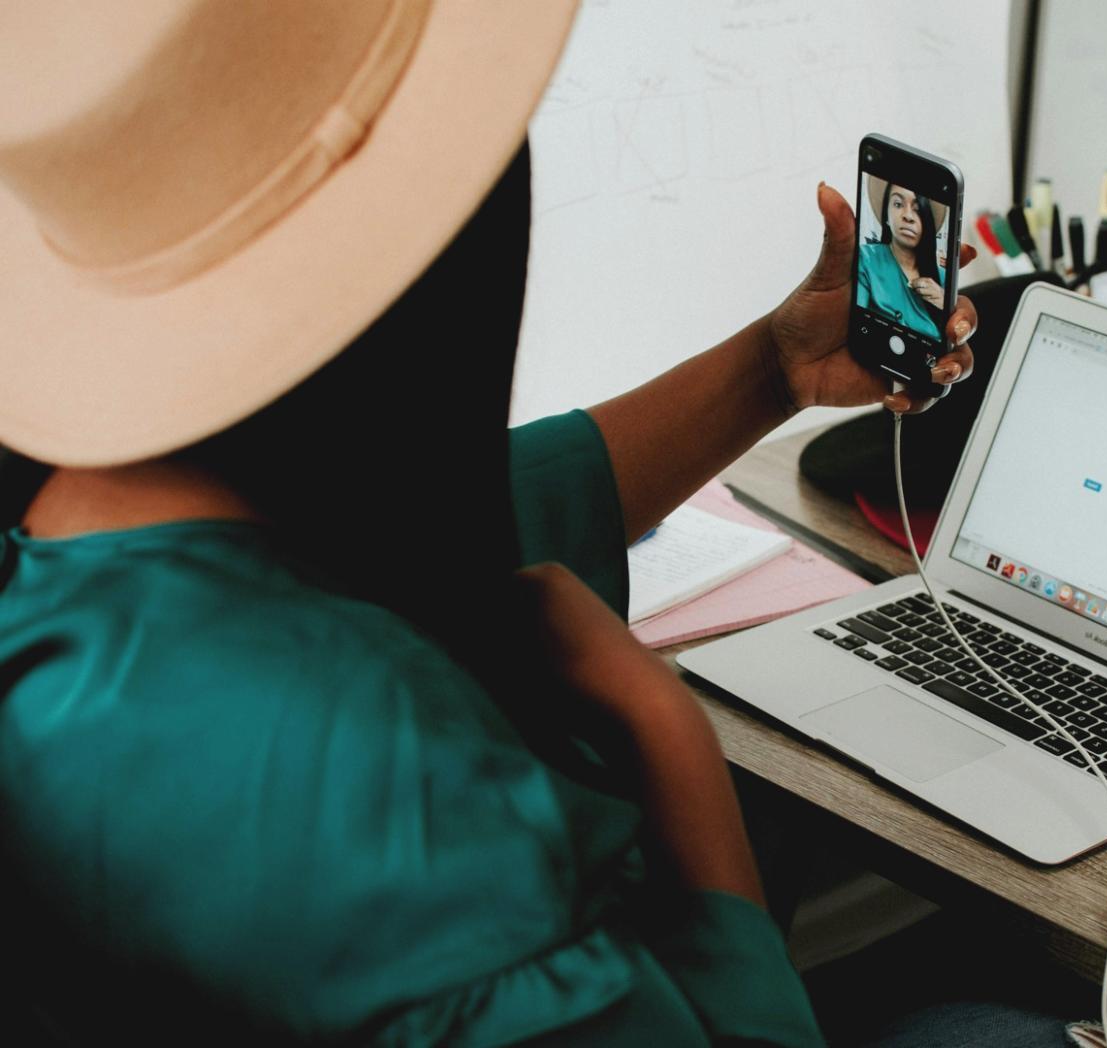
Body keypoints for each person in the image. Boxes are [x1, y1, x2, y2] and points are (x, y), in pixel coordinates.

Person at [0, 4, 1012, 1045]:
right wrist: (667, 735)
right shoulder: (403, 801)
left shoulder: (73, 546)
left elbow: (473, 515)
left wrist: (774, 367)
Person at [856, 180, 949, 341]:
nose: (908, 216)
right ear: (886, 215)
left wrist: (945, 305)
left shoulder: (942, 278)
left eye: (917, 210)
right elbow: (856, 324)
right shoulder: (865, 258)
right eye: (898, 204)